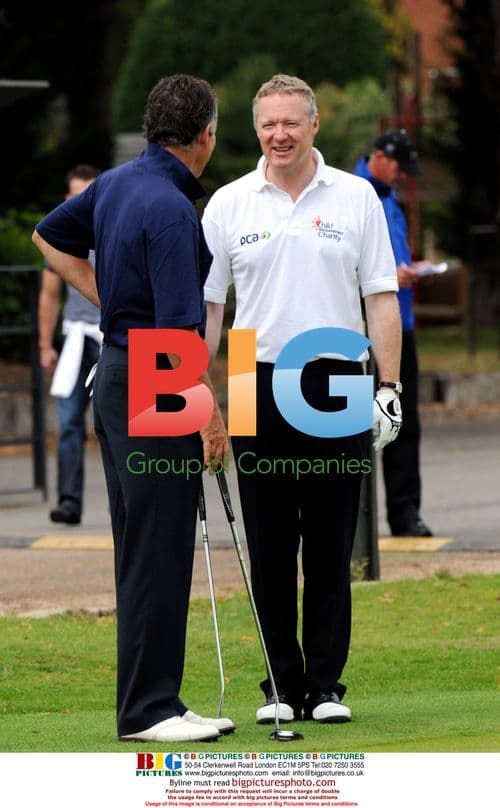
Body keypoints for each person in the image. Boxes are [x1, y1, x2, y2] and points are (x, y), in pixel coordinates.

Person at [32, 74, 233, 743]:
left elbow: (46, 236)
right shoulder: (174, 210)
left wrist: (105, 292)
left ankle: (153, 702)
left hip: (117, 374)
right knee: (159, 546)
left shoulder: (116, 184)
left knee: (144, 547)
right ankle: (150, 710)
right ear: (204, 136)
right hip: (153, 375)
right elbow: (179, 332)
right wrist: (208, 414)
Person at [203, 74, 402, 725]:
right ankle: (280, 686)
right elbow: (208, 308)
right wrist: (200, 394)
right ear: (256, 130)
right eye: (268, 124)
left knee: (328, 539)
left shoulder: (356, 196)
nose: (279, 134)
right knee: (267, 542)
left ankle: (323, 687)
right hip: (249, 376)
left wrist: (390, 387)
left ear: (314, 125)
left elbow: (380, 298)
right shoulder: (230, 203)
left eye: (291, 122)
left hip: (337, 376)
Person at [354, 129, 433, 537]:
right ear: (381, 157)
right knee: (350, 426)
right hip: (359, 334)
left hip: (400, 326)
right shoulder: (352, 196)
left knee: (402, 420)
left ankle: (404, 512)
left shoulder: (390, 199)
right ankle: (352, 523)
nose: (403, 176)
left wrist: (407, 270)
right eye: (400, 167)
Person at [38, 165, 102, 525]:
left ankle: (123, 502)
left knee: (122, 426)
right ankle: (69, 502)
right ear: (67, 198)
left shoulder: (112, 229)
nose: (81, 202)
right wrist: (46, 345)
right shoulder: (61, 235)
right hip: (77, 338)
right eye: (75, 195)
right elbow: (49, 297)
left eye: (88, 194)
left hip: (113, 338)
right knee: (68, 424)